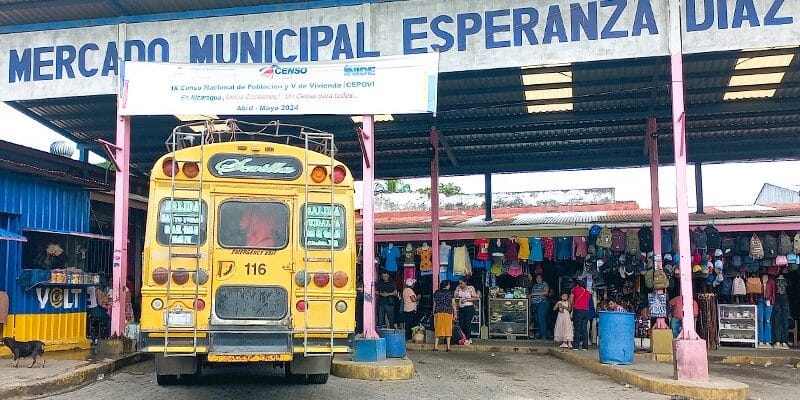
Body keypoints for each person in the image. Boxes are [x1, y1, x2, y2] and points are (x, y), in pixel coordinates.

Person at [433, 281, 457, 351]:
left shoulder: (437, 292)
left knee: (438, 329)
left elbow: (435, 303)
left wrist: (434, 311)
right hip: (448, 312)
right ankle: (448, 347)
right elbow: (453, 304)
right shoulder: (450, 293)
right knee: (448, 329)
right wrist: (455, 314)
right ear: (447, 285)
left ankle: (436, 347)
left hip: (438, 311)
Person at [454, 277, 478, 345]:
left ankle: (468, 338)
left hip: (469, 307)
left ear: (465, 282)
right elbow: (455, 296)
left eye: (461, 283)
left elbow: (475, 297)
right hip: (461, 308)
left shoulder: (470, 288)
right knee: (461, 323)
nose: (460, 285)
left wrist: (467, 300)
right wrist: (457, 290)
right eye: (459, 283)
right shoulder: (458, 288)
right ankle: (463, 337)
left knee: (467, 323)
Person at [569, 280, 591, 351]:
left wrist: (571, 304)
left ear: (577, 285)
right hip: (586, 311)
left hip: (578, 310)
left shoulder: (575, 290)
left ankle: (576, 346)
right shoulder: (587, 292)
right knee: (584, 329)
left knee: (577, 328)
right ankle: (585, 346)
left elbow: (571, 300)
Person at [529, 274, 550, 340]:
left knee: (541, 319)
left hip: (542, 304)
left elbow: (545, 292)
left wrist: (533, 294)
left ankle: (543, 336)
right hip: (535, 305)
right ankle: (540, 335)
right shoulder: (535, 285)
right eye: (536, 278)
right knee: (537, 319)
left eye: (539, 278)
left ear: (542, 278)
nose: (538, 279)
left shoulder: (544, 284)